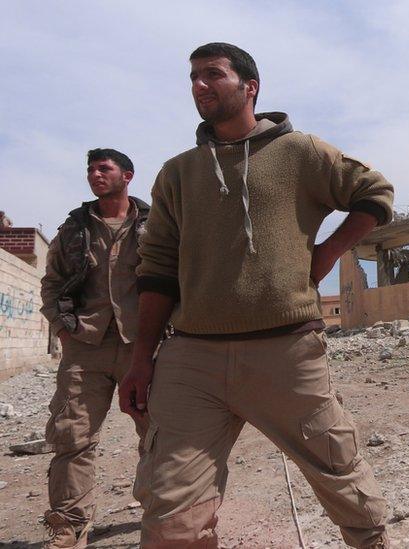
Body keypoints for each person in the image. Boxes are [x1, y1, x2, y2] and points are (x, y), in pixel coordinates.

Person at [119, 42, 394, 548]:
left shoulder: (301, 152)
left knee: (343, 480)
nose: (199, 85)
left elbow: (374, 194)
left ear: (250, 86)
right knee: (168, 512)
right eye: (193, 77)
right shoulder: (177, 173)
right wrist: (141, 359)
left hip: (286, 352)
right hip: (192, 357)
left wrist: (328, 252)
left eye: (212, 75)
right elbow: (155, 269)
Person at [39, 148, 151, 548]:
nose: (95, 174)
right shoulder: (74, 228)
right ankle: (69, 526)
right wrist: (62, 328)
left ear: (128, 176)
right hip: (85, 346)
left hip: (144, 345)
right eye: (90, 169)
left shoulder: (155, 224)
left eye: (104, 168)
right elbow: (52, 283)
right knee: (72, 437)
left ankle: (161, 516)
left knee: (158, 433)